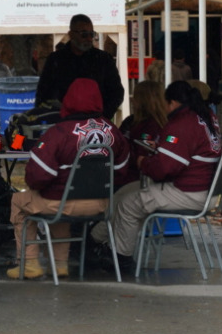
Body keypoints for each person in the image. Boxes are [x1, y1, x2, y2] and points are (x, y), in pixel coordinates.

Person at [7, 78, 132, 279]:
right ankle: (60, 265)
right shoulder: (113, 131)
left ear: (69, 100)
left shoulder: (58, 133)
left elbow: (37, 176)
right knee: (59, 203)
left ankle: (29, 264)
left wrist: (47, 187)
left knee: (19, 201)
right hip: (101, 205)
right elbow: (122, 171)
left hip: (62, 203)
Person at [96, 79, 222, 266]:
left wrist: (143, 162)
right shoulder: (205, 117)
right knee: (126, 192)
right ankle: (96, 240)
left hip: (188, 191)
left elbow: (163, 169)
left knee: (128, 204)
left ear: (171, 103)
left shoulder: (181, 123)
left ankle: (119, 259)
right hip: (203, 189)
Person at [35, 14, 125, 119]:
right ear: (71, 34)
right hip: (62, 124)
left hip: (95, 124)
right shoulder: (56, 60)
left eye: (92, 34)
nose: (89, 38)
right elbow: (43, 94)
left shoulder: (104, 60)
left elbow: (117, 93)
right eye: (84, 34)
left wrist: (102, 116)